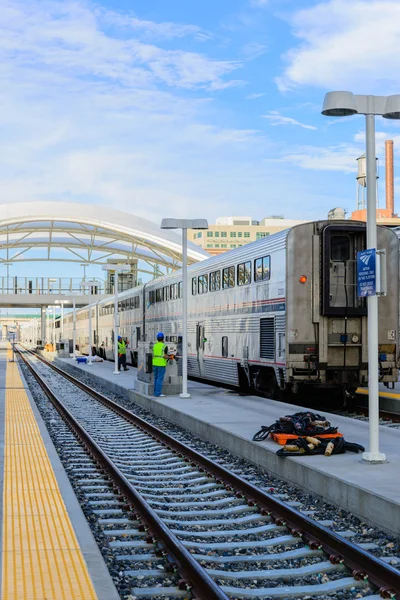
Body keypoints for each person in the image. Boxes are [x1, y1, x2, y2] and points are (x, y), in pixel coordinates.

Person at [152, 332, 169, 397]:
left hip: (155, 363)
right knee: (159, 379)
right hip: (161, 364)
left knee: (156, 378)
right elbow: (165, 356)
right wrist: (170, 357)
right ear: (163, 338)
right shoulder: (164, 346)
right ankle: (158, 393)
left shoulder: (155, 345)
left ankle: (155, 392)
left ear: (157, 338)